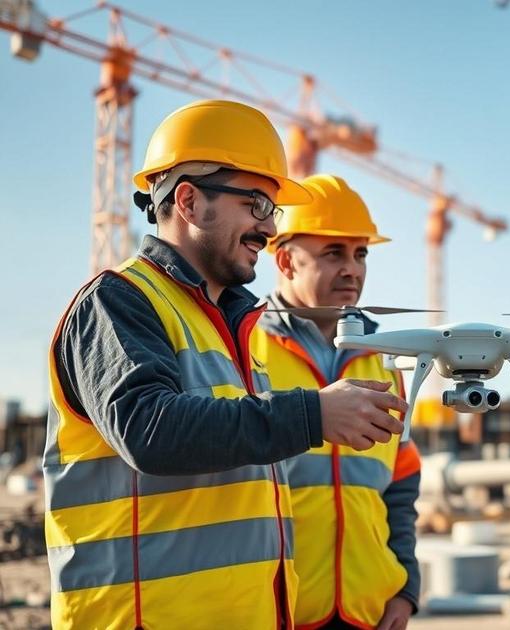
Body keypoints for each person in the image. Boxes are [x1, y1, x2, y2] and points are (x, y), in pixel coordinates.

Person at [43, 101, 407, 629]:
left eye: (273, 211)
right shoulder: (116, 303)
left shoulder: (229, 326)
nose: (267, 228)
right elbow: (150, 431)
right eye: (257, 204)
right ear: (188, 201)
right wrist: (314, 415)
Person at [251, 174, 421, 630]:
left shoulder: (385, 359)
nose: (353, 269)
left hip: (369, 612)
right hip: (274, 611)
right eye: (334, 253)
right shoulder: (240, 348)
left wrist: (405, 588)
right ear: (285, 261)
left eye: (360, 253)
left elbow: (400, 487)